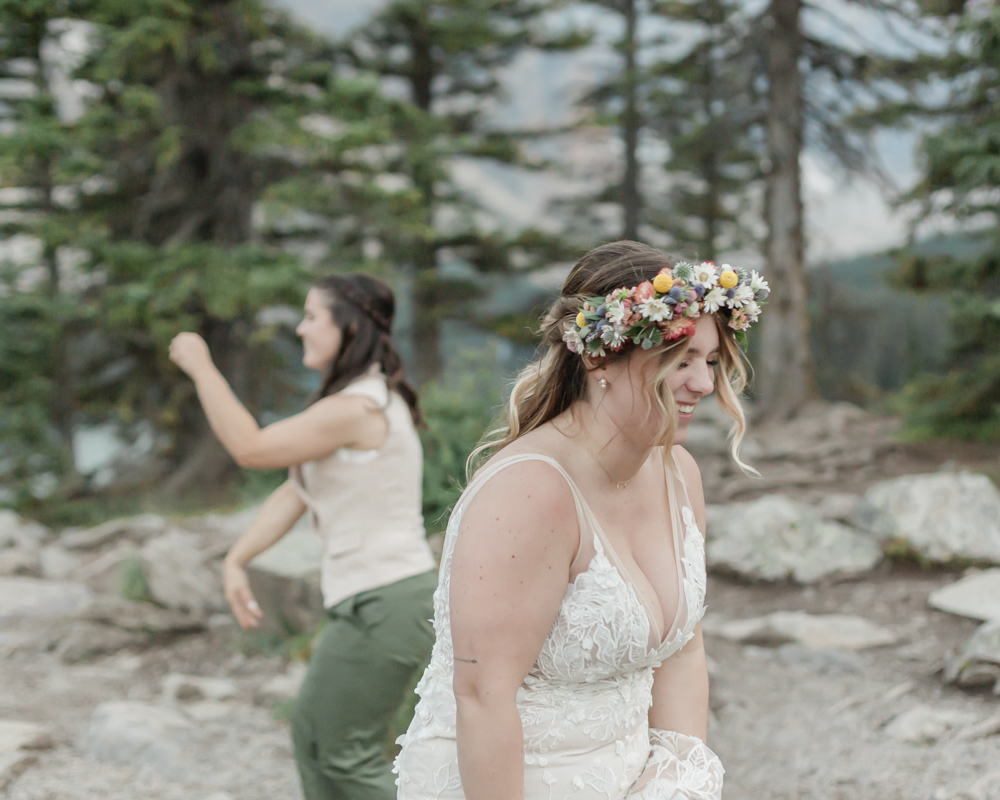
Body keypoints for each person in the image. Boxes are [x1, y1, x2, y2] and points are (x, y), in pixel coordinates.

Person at [394, 241, 767, 800]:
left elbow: (684, 650)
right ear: (598, 358)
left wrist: (677, 782)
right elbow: (482, 696)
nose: (704, 385)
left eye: (711, 360)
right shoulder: (529, 492)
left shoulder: (678, 473)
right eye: (678, 359)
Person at [169, 273, 438, 800]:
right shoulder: (354, 406)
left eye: (312, 316)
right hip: (369, 599)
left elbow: (251, 448)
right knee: (314, 740)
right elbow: (296, 492)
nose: (300, 328)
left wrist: (202, 367)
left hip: (385, 599)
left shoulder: (358, 408)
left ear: (347, 327)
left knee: (343, 756)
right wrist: (236, 559)